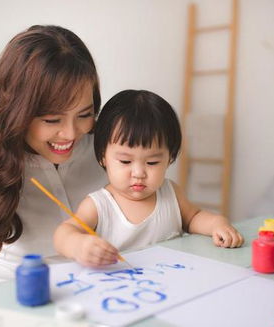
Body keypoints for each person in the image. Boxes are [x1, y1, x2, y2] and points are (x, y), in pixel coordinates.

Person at [0, 25, 107, 295]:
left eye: (84, 114)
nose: (71, 133)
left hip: (99, 295)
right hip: (9, 299)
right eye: (52, 119)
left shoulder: (106, 148)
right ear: (18, 110)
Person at [53, 90, 244, 267]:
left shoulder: (171, 193)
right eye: (126, 161)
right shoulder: (98, 205)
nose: (138, 173)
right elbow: (64, 234)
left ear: (169, 158)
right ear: (103, 156)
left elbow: (193, 218)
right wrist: (78, 244)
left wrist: (217, 224)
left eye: (152, 162)